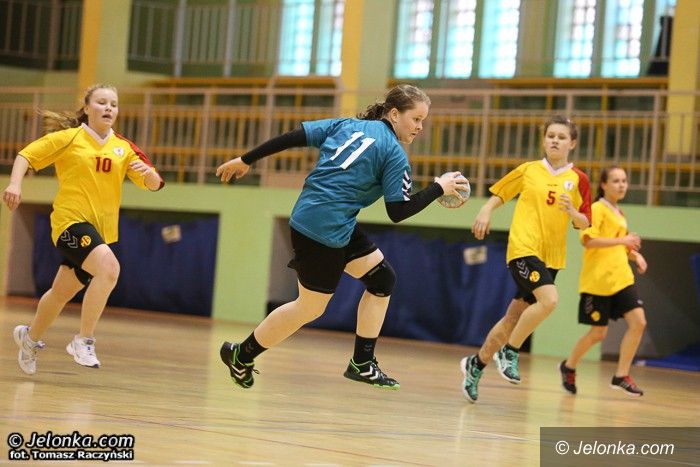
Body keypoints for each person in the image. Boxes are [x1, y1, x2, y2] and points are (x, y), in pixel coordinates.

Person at [217, 84, 469, 390]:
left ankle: (362, 362)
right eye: (416, 119)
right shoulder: (394, 154)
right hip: (323, 229)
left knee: (382, 280)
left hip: (323, 218)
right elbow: (398, 211)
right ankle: (241, 354)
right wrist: (438, 188)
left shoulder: (346, 124)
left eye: (423, 121)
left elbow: (293, 136)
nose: (419, 127)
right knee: (309, 307)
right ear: (394, 114)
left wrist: (246, 159)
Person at [4, 84, 164, 374]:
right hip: (70, 223)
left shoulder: (124, 148)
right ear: (87, 107)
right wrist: (15, 184)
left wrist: (151, 176)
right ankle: (84, 340)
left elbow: (153, 184)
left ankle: (30, 338)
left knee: (61, 293)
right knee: (110, 269)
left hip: (100, 232)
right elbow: (26, 155)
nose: (108, 108)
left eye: (113, 104)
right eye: (101, 102)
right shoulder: (70, 138)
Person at [460, 115, 592, 403]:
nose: (555, 140)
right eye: (550, 135)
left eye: (561, 137)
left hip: (551, 257)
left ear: (572, 143)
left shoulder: (579, 180)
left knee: (513, 318)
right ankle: (510, 351)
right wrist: (485, 210)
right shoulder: (529, 170)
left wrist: (573, 213)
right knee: (550, 300)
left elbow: (584, 222)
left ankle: (476, 364)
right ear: (544, 140)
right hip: (523, 248)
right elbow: (501, 193)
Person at [559, 166, 647, 397]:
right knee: (598, 333)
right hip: (598, 282)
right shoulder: (596, 209)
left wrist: (635, 255)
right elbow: (589, 240)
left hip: (621, 279)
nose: (621, 185)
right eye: (616, 181)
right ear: (604, 185)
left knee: (639, 322)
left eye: (624, 180)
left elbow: (618, 245)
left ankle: (621, 376)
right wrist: (623, 241)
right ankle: (568, 366)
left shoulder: (619, 214)